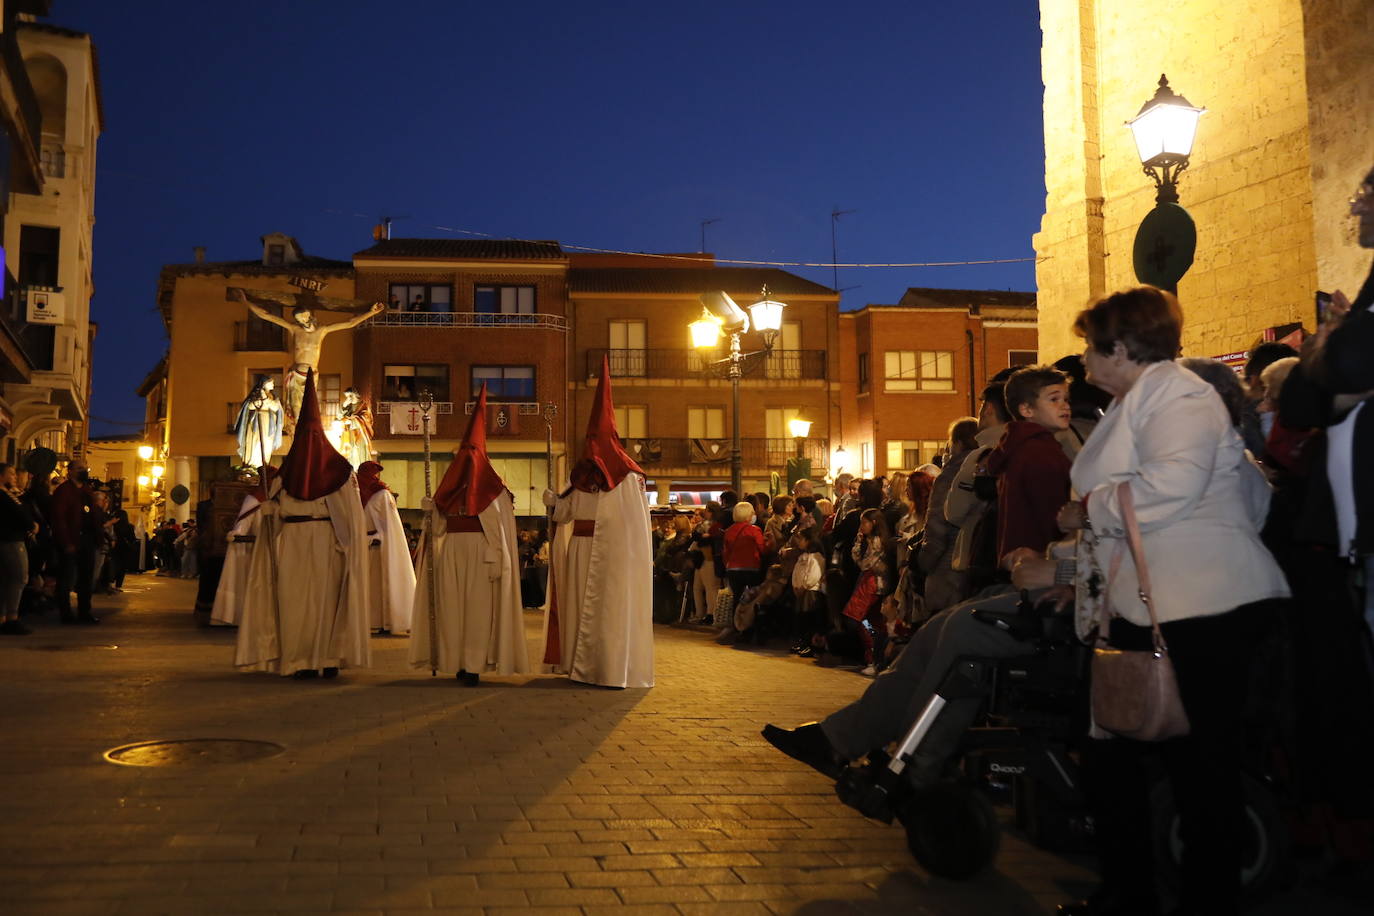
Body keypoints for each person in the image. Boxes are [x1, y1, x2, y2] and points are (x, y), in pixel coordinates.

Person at [1059, 286, 1290, 916]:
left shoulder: (1180, 394)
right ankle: (1129, 891)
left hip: (1204, 608)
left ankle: (1197, 900)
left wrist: (1089, 508)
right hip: (1157, 605)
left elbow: (1171, 487)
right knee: (1117, 758)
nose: (1082, 361)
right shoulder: (1142, 399)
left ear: (1123, 348)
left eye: (1090, 346)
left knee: (1198, 769)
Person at [235, 369, 372, 679]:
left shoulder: (339, 472)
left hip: (327, 545)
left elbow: (349, 517)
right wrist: (270, 511)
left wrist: (347, 548)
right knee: (294, 603)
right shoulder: (286, 473)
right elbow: (272, 511)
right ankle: (299, 660)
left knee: (326, 603)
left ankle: (327, 658)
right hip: (293, 545)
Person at [540, 357, 654, 689]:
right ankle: (578, 664)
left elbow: (631, 528)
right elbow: (567, 515)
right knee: (579, 607)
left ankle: (607, 666)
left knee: (608, 610)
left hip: (613, 558)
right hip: (580, 549)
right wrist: (554, 504)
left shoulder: (629, 478)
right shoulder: (580, 478)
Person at [410, 385, 528, 684]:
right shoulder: (447, 489)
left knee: (477, 613)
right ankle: (455, 661)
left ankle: (474, 664)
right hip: (450, 550)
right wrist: (431, 511)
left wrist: (496, 558)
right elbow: (437, 530)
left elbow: (499, 531)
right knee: (451, 611)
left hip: (481, 555)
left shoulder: (495, 491)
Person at [985, 365, 1074, 574]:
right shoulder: (1039, 452)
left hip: (1022, 564)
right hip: (1039, 565)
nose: (1065, 406)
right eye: (1054, 399)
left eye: (1066, 399)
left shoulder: (1020, 446)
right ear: (1026, 410)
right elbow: (1053, 517)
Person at [356, 461, 414, 635]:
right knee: (379, 584)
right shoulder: (381, 493)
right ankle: (383, 620)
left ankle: (371, 621)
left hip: (362, 544)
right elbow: (391, 524)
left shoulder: (353, 492)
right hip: (378, 544)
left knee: (369, 586)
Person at [211, 470, 273, 627]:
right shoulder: (253, 500)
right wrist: (237, 534)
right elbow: (243, 524)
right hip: (256, 551)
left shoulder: (281, 500)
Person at [50, 460, 99, 625]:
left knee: (86, 578)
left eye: (85, 468)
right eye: (79, 468)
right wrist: (66, 542)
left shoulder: (87, 490)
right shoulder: (63, 491)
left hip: (87, 540)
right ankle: (65, 613)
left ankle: (85, 611)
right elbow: (59, 518)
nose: (84, 471)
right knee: (66, 579)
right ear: (70, 471)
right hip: (71, 540)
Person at [0, 463, 35, 634]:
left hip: (9, 540)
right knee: (19, 578)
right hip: (11, 541)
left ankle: (4, 617)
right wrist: (32, 525)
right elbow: (22, 513)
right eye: (11, 474)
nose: (14, 477)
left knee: (6, 580)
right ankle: (11, 618)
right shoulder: (5, 495)